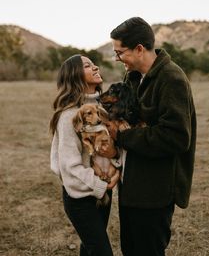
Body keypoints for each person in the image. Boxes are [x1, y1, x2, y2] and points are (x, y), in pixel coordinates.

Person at [107, 17, 197, 256]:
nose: (117, 58)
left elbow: (176, 137)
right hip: (132, 184)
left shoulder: (172, 78)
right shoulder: (133, 77)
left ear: (139, 49)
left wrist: (124, 136)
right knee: (131, 249)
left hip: (155, 189)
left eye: (120, 52)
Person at [49, 54, 120, 256]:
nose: (96, 67)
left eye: (93, 63)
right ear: (75, 75)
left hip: (104, 190)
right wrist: (102, 185)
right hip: (80, 197)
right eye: (88, 66)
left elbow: (113, 146)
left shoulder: (105, 108)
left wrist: (114, 171)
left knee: (89, 249)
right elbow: (69, 167)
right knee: (101, 251)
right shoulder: (70, 115)